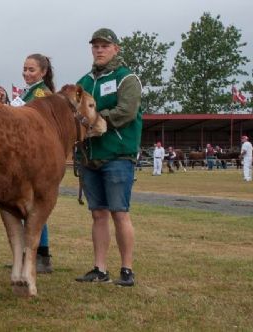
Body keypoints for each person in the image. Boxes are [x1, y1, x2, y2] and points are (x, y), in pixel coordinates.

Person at [74, 28, 142, 287]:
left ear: (116, 49)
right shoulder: (85, 82)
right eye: (95, 46)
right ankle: (100, 269)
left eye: (105, 45)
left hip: (117, 156)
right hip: (90, 158)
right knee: (98, 214)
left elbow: (126, 111)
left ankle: (127, 270)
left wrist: (94, 121)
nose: (99, 50)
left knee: (119, 213)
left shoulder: (127, 78)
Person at [14, 53, 55, 273]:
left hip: (35, 156)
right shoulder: (27, 92)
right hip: (23, 153)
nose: (26, 73)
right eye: (25, 69)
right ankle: (26, 252)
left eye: (31, 70)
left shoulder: (41, 93)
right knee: (25, 208)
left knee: (37, 207)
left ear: (43, 72)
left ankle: (42, 254)